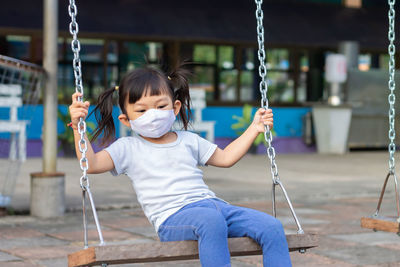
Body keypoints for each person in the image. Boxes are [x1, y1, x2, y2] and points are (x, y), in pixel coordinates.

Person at [69, 65, 291, 267]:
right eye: (142, 110)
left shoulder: (188, 140)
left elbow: (225, 158)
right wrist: (79, 127)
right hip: (172, 219)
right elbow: (91, 163)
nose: (153, 115)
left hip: (215, 207)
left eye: (161, 106)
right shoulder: (127, 147)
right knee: (210, 221)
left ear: (175, 108)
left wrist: (254, 128)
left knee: (271, 226)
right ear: (126, 120)